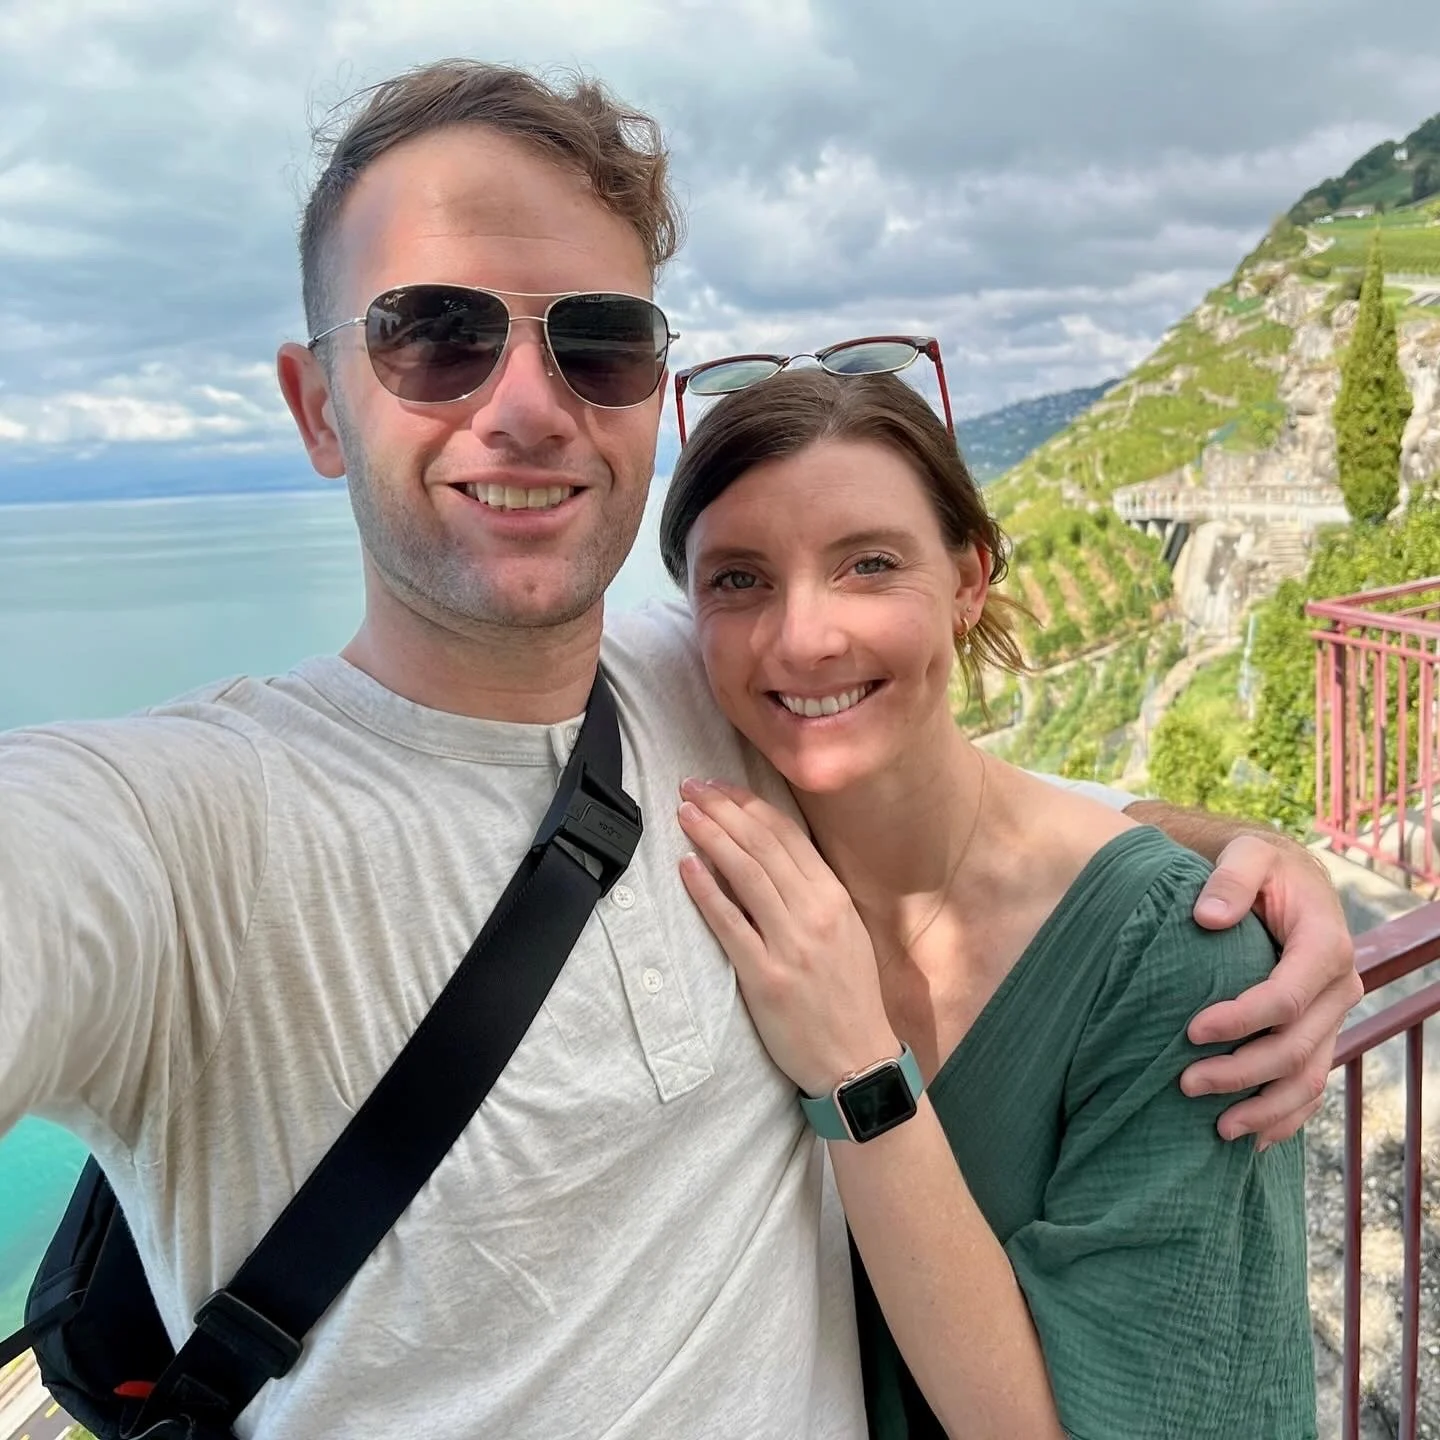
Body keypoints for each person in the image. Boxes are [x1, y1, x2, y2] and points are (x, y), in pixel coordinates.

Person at [0, 61, 1354, 1438]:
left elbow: (940, 775)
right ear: (313, 406)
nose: (526, 404)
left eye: (596, 341)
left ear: (648, 395)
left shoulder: (696, 687)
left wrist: (1240, 855)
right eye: (434, 332)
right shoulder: (175, 826)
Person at [660, 367, 1317, 1437]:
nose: (801, 638)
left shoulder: (1184, 962)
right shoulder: (731, 865)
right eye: (738, 580)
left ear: (969, 579)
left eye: (869, 564)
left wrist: (855, 1073)